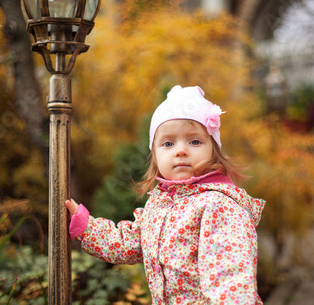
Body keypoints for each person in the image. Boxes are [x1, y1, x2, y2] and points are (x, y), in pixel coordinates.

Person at [65, 85, 266, 304]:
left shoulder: (219, 205)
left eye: (195, 141)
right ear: (156, 156)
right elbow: (128, 243)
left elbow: (230, 282)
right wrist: (85, 226)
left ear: (214, 150)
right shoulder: (159, 206)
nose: (181, 150)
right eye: (168, 143)